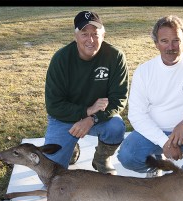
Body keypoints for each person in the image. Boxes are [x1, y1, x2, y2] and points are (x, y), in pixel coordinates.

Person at [117, 15, 183, 177]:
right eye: (164, 41)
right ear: (156, 44)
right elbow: (137, 115)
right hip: (153, 133)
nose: (170, 47)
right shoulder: (144, 71)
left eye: (176, 40)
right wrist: (164, 142)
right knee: (127, 156)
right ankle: (157, 165)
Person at [44, 11, 129, 175]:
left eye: (95, 34)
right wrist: (86, 111)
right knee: (51, 175)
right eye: (84, 34)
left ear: (103, 35)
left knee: (116, 127)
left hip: (98, 117)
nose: (90, 40)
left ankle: (101, 159)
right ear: (76, 36)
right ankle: (71, 146)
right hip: (64, 118)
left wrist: (91, 119)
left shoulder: (115, 56)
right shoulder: (61, 59)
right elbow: (53, 105)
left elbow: (118, 99)